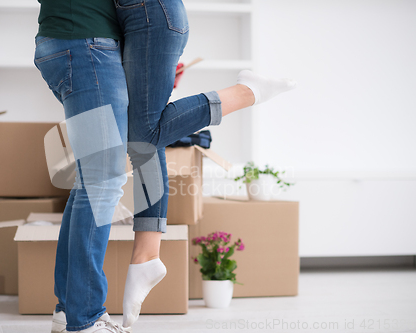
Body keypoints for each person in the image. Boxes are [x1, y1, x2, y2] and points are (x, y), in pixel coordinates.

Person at [34, 0, 296, 332]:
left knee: (95, 178)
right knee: (105, 177)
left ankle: (69, 309)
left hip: (70, 40)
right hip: (86, 43)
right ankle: (85, 318)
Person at [114, 0, 296, 328]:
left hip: (149, 15)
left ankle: (247, 91)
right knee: (143, 140)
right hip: (142, 18)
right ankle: (146, 256)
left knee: (144, 133)